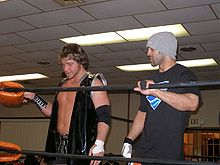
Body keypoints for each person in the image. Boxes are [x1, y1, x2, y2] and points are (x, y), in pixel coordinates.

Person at [23, 43, 111, 165]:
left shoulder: (93, 83)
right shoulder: (62, 85)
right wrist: (34, 97)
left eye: (69, 64)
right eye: (63, 65)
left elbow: (104, 116)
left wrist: (99, 143)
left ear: (80, 61)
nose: (65, 69)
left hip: (81, 149)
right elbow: (53, 113)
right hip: (58, 148)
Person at [121, 32, 200, 164]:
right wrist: (129, 140)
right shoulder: (153, 78)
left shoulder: (184, 75)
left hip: (169, 155)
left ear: (164, 49)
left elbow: (192, 103)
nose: (148, 53)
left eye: (151, 49)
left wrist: (156, 91)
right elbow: (142, 114)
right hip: (143, 152)